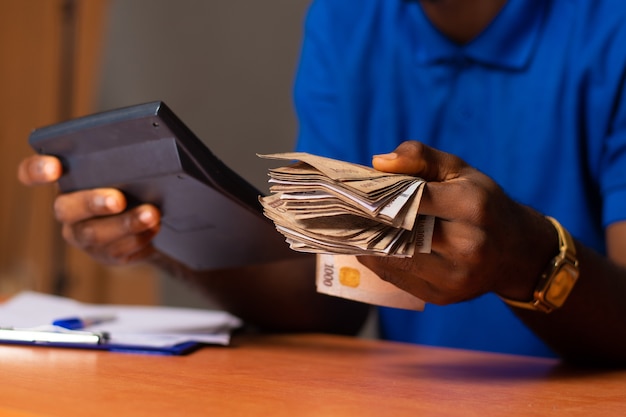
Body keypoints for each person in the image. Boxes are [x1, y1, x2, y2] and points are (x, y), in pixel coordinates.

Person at [17, 0, 626, 366]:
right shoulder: (347, 18)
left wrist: (526, 258)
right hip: (409, 394)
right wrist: (166, 230)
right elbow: (330, 295)